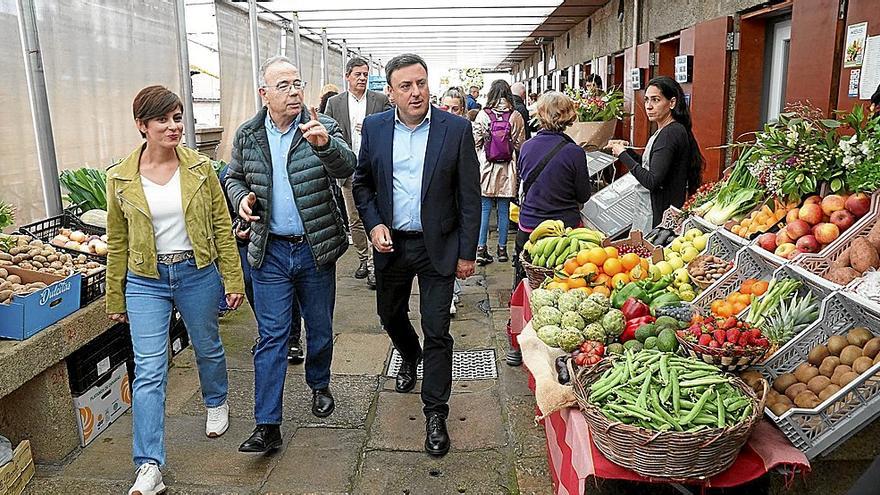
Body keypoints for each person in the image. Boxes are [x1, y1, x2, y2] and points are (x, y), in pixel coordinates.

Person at [106, 85, 245, 495]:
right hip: (145, 280)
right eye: (164, 120)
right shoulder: (119, 178)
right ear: (142, 126)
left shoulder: (202, 169)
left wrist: (232, 280)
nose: (174, 126)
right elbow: (117, 240)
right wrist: (116, 295)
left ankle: (216, 399)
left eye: (178, 117)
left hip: (196, 272)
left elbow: (223, 227)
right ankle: (149, 465)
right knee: (149, 370)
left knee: (207, 345)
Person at [225, 56, 356, 454]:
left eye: (297, 83)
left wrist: (325, 145)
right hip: (271, 252)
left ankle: (319, 383)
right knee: (272, 337)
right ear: (264, 94)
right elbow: (232, 176)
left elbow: (348, 166)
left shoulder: (321, 126)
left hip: (315, 249)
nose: (294, 91)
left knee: (319, 327)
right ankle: (267, 424)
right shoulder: (248, 134)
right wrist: (241, 198)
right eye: (283, 85)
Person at [353, 53, 480, 457]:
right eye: (405, 86)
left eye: (421, 83)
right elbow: (363, 184)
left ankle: (435, 413)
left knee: (437, 328)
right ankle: (409, 354)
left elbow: (470, 196)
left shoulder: (455, 129)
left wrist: (467, 252)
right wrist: (373, 224)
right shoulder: (374, 129)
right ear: (389, 93)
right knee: (389, 315)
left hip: (437, 246)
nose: (416, 92)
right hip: (391, 245)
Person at [218, 165, 304, 364]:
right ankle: (268, 333)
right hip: (246, 242)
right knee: (249, 282)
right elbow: (223, 216)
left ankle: (292, 338)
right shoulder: (227, 175)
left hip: (275, 240)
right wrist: (237, 229)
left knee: (287, 286)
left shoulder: (277, 165)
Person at [324, 56, 392, 290]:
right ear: (347, 77)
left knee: (377, 215)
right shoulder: (335, 103)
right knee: (354, 218)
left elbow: (392, 126)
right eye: (358, 75)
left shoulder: (380, 100)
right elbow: (329, 134)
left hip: (376, 168)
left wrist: (374, 127)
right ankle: (364, 258)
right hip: (348, 169)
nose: (362, 78)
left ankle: (374, 264)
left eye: (365, 74)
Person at [513, 91, 592, 289]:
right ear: (568, 116)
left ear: (540, 115)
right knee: (564, 288)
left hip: (530, 228)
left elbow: (522, 180)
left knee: (529, 283)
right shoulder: (575, 152)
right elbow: (584, 195)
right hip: (565, 235)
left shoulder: (526, 147)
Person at [608, 76, 703, 232]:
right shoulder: (667, 130)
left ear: (672, 103)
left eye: (655, 100)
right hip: (653, 209)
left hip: (656, 216)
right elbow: (651, 166)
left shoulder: (670, 133)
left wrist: (622, 155)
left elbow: (652, 180)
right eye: (646, 100)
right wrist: (627, 151)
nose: (649, 106)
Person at [473, 80, 525, 266]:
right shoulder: (516, 115)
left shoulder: (482, 115)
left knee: (484, 209)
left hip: (485, 167)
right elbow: (520, 144)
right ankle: (502, 249)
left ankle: (481, 248)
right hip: (507, 168)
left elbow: (476, 142)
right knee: (504, 210)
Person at [440, 88, 469, 316]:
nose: (449, 113)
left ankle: (452, 290)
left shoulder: (464, 131)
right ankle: (449, 293)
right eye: (445, 108)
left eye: (455, 109)